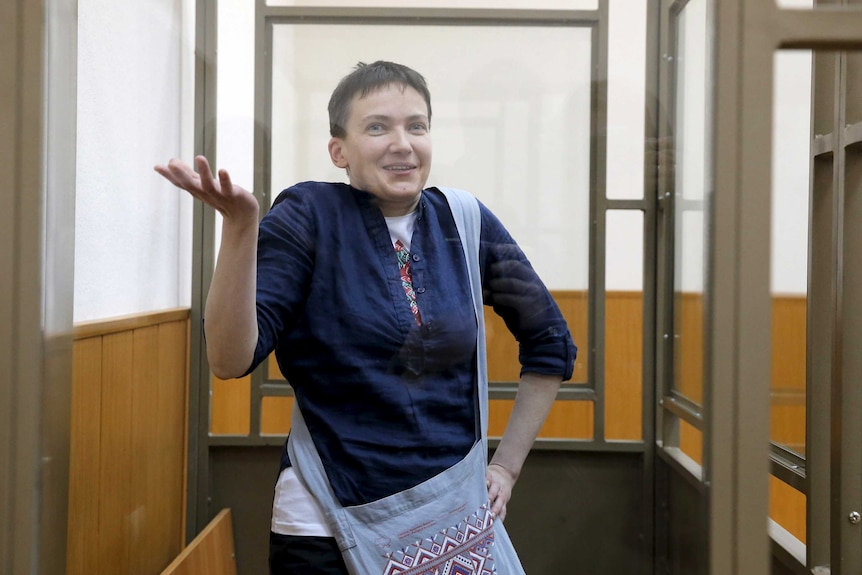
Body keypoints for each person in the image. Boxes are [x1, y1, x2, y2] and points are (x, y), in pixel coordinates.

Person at [156, 60, 576, 575]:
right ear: (339, 150)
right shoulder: (308, 216)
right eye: (377, 127)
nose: (402, 143)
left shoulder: (464, 221)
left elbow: (550, 341)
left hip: (450, 519)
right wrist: (242, 228)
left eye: (416, 126)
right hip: (327, 522)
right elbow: (228, 358)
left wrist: (506, 467)